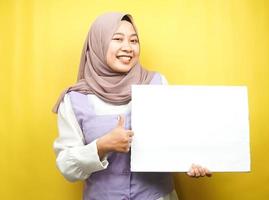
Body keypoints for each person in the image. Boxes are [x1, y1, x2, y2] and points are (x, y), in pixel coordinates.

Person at [52, 12, 211, 200]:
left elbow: (177, 139)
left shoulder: (157, 83)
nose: (127, 48)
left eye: (134, 41)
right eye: (118, 39)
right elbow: (67, 168)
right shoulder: (74, 99)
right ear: (98, 43)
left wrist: (191, 162)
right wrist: (102, 146)